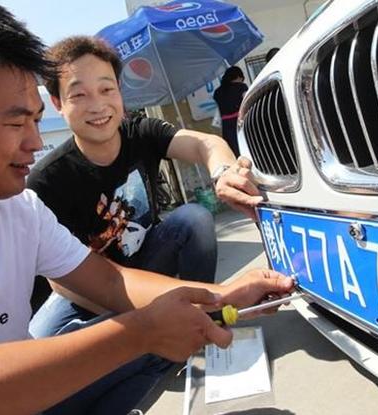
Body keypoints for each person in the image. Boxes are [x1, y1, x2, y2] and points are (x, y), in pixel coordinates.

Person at [0, 2, 294, 415]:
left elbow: (110, 282)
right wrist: (138, 333)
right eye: (15, 123)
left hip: (29, 394)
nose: (33, 141)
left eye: (35, 121)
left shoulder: (19, 207)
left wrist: (223, 295)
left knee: (163, 337)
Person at [27, 37, 264, 337]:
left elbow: (206, 143)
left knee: (193, 218)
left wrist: (224, 171)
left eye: (106, 89)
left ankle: (204, 316)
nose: (98, 105)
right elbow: (62, 283)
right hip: (89, 290)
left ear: (119, 91)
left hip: (148, 260)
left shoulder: (141, 131)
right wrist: (144, 319)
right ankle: (163, 328)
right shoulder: (47, 179)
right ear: (58, 103)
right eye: (79, 95)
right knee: (41, 340)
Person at [213, 66, 248, 158]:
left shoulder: (217, 92)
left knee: (235, 151)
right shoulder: (241, 87)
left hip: (226, 125)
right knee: (247, 147)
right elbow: (246, 103)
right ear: (238, 76)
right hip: (240, 121)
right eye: (241, 79)